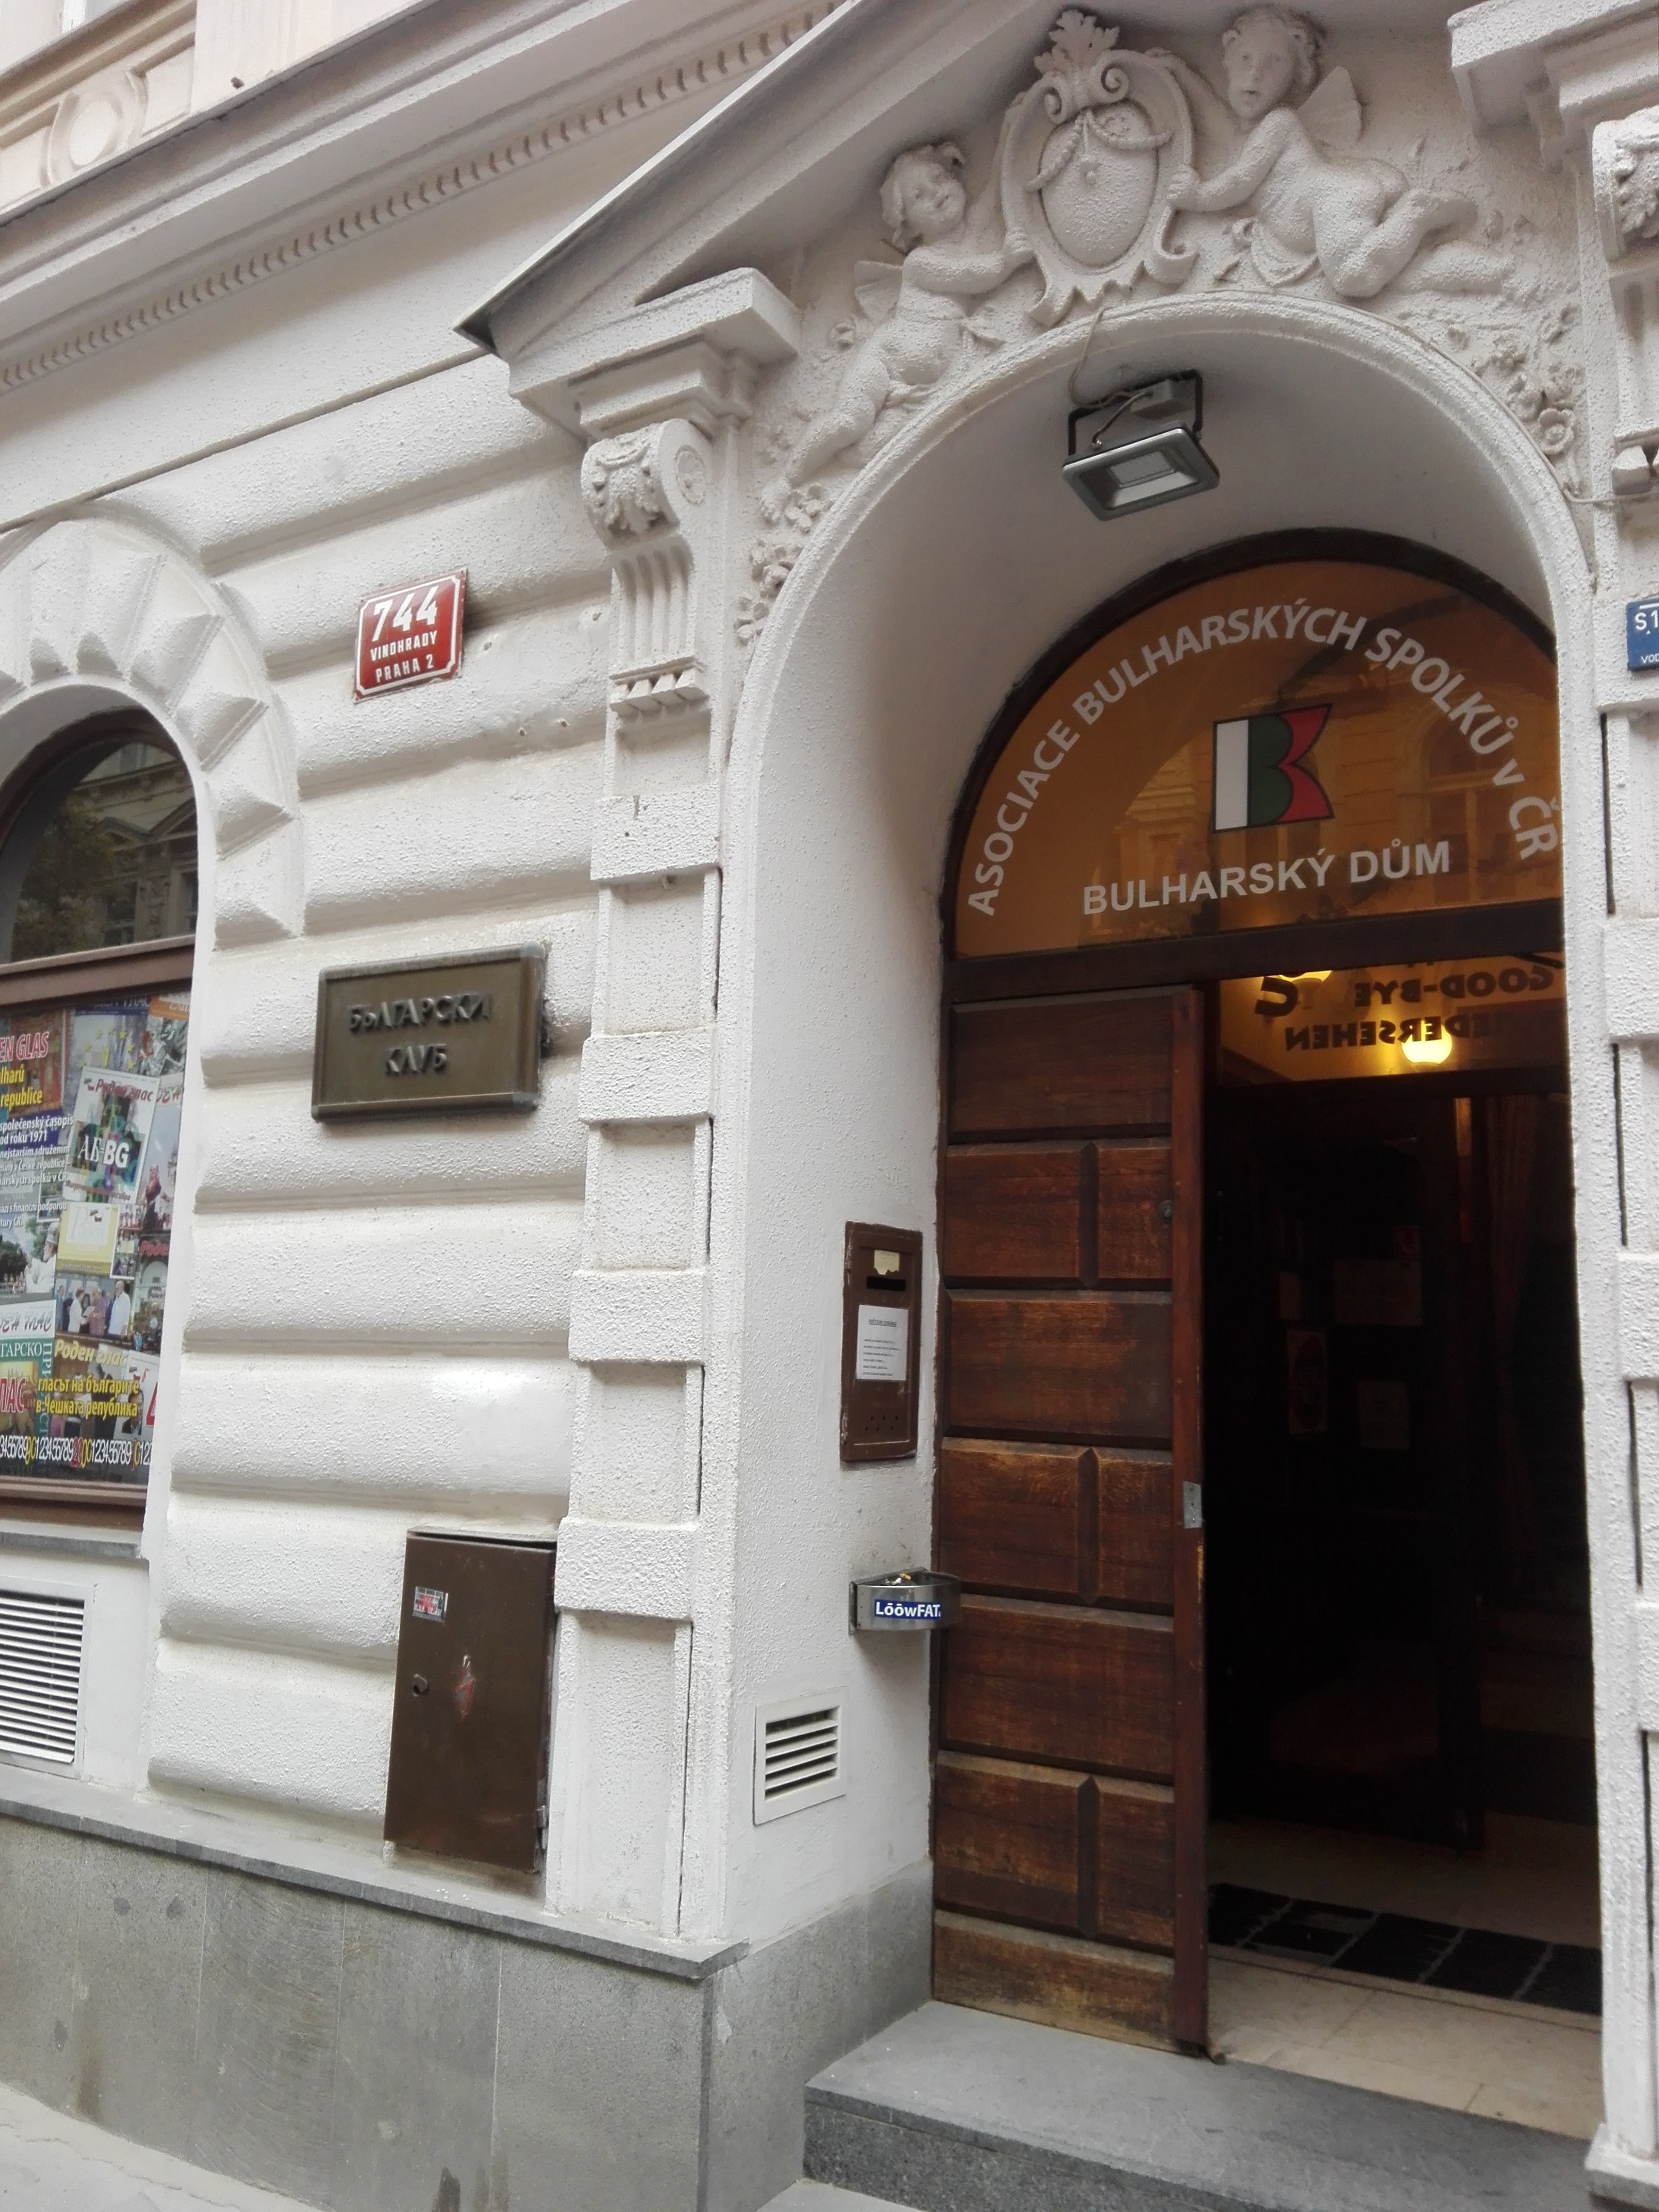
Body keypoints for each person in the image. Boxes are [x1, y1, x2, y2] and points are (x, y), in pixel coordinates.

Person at [1160, 7, 1486, 299]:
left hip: (1331, 197)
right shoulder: (1250, 133)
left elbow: (1241, 180)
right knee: (1395, 268)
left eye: (1275, 62)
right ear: (1228, 58)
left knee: (1352, 278)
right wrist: (1180, 74)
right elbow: (1218, 123)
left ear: (1296, 76)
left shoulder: (1279, 122)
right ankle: (1456, 251)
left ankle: (1419, 210)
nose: (1255, 73)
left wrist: (1199, 196)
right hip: (1340, 193)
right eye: (1245, 57)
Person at [778, 143, 1032, 492]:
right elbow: (969, 276)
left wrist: (1010, 137)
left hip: (925, 385)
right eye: (919, 196)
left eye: (940, 178)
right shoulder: (920, 262)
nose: (936, 195)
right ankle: (787, 480)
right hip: (885, 361)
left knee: (873, 450)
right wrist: (1005, 263)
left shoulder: (972, 232)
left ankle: (842, 462)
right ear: (908, 226)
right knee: (849, 422)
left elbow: (995, 188)